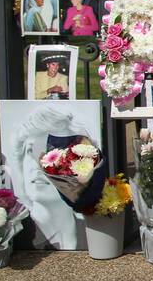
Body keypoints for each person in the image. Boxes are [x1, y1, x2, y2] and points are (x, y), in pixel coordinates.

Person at [6, 105, 95, 250]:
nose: (38, 163)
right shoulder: (12, 239)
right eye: (30, 151)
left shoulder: (96, 235)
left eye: (51, 151)